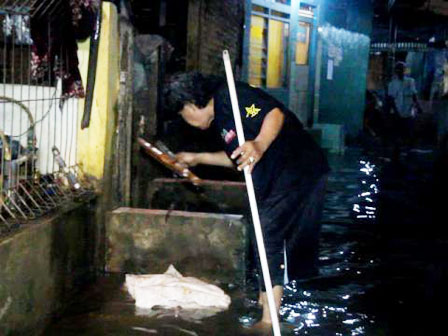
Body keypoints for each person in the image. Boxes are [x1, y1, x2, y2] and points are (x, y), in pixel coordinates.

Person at [163, 72, 330, 328]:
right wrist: (197, 159)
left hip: (297, 166)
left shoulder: (230, 95)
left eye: (183, 114)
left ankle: (268, 321)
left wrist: (260, 144)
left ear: (191, 105)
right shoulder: (222, 120)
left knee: (268, 231)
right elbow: (237, 157)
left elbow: (274, 114)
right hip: (276, 175)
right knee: (261, 231)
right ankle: (266, 300)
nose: (186, 121)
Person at [387, 62, 422, 147]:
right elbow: (391, 99)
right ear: (396, 71)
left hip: (408, 112)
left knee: (408, 133)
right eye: (398, 69)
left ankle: (407, 149)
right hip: (397, 112)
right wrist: (395, 112)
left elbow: (414, 95)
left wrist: (418, 106)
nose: (400, 71)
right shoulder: (392, 84)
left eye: (402, 69)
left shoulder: (410, 81)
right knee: (397, 133)